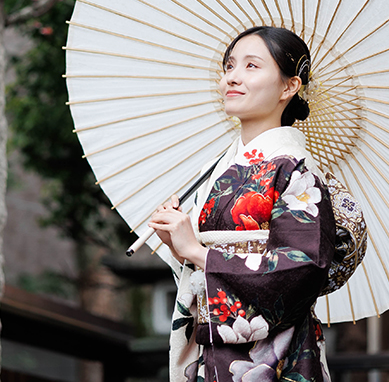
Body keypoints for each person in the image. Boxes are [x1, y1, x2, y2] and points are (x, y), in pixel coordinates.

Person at [149, 26, 364, 382]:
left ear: (289, 86)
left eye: (251, 66)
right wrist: (179, 246)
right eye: (229, 65)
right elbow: (200, 272)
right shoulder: (215, 170)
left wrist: (199, 253)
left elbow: (301, 268)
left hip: (276, 358)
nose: (231, 78)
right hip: (213, 350)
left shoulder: (296, 170)